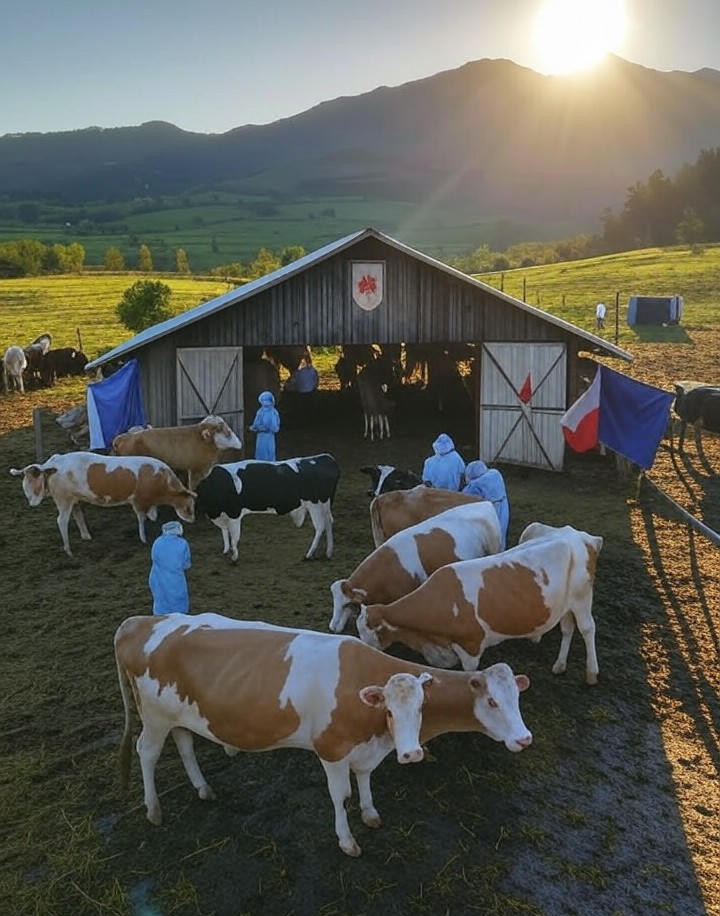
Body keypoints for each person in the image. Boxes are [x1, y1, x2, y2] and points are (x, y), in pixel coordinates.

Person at [463, 460, 510, 549]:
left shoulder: (475, 484)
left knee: (488, 534)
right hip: (503, 504)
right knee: (501, 530)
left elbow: (464, 496)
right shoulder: (495, 473)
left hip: (489, 510)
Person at [148, 521, 191, 615]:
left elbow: (154, 558)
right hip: (175, 578)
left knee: (161, 599)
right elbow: (186, 563)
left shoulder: (157, 541)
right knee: (178, 600)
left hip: (157, 576)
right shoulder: (182, 543)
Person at [249, 390, 280, 461]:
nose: (265, 405)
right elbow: (255, 424)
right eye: (263, 402)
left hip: (269, 437)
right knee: (261, 453)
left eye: (267, 403)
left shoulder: (273, 412)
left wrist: (267, 428)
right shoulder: (260, 411)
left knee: (269, 453)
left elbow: (275, 428)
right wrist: (255, 428)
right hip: (261, 437)